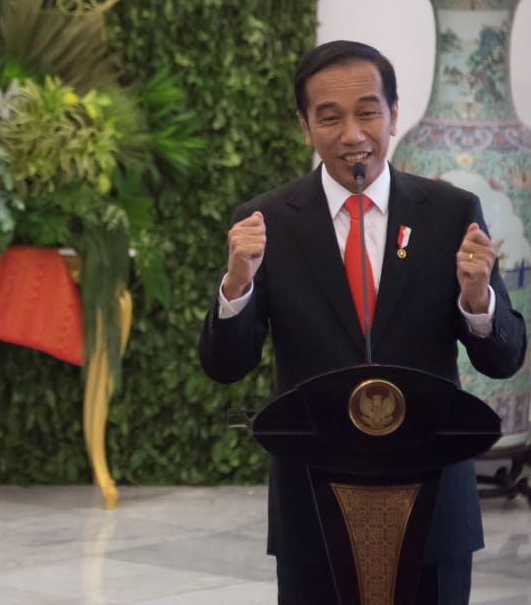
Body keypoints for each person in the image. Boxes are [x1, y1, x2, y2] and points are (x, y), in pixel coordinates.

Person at [198, 40, 526, 604]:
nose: (352, 134)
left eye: (368, 112)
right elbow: (226, 366)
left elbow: (504, 357)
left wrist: (478, 301)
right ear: (305, 126)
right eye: (329, 117)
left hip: (433, 503)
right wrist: (237, 284)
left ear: (394, 115)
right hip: (313, 508)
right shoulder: (266, 222)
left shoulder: (450, 213)